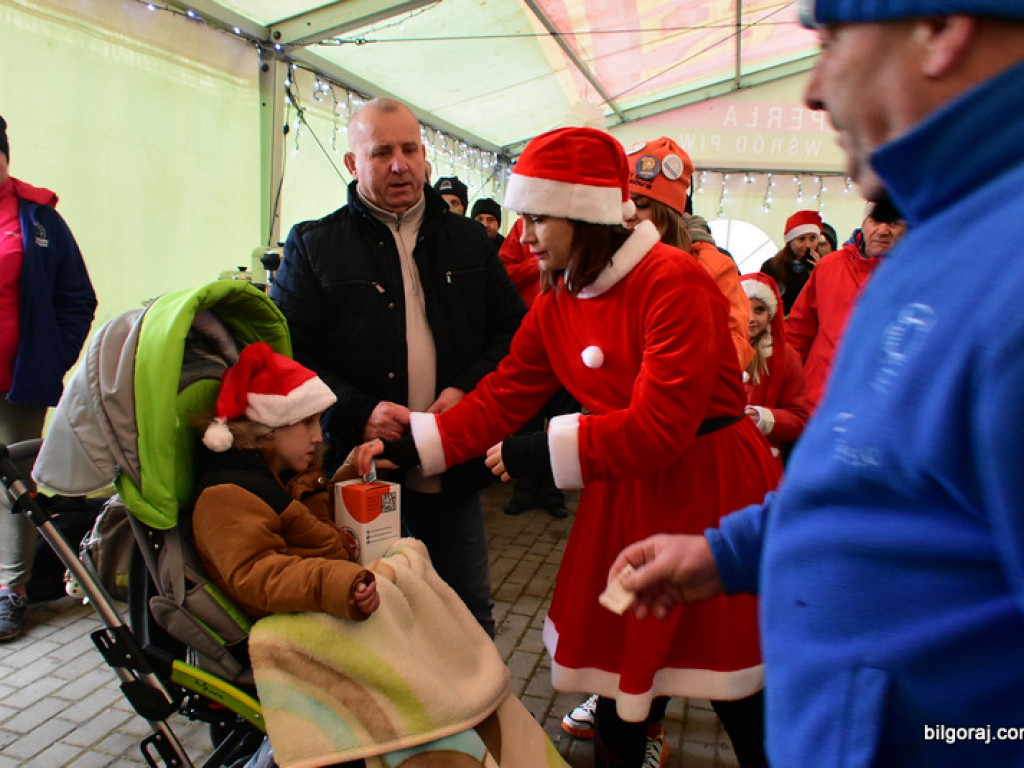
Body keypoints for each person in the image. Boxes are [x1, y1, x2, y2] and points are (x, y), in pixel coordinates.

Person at [609, 2, 1024, 765]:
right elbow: (876, 482)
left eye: (832, 42)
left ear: (942, 29)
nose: (813, 90)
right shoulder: (938, 241)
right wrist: (729, 552)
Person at [375, 126, 779, 768]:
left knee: (734, 673)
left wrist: (537, 452)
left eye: (537, 218)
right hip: (629, 489)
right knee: (624, 671)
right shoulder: (561, 295)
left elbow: (659, 428)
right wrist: (415, 445)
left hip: (709, 491)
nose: (524, 234)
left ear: (583, 215)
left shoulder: (674, 282)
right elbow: (505, 391)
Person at [270, 98, 525, 638]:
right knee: (372, 619)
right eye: (381, 152)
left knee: (468, 614)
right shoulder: (315, 245)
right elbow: (292, 356)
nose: (399, 164)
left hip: (450, 466)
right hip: (362, 470)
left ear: (425, 157)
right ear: (352, 163)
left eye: (409, 149)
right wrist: (357, 412)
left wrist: (466, 389)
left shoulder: (469, 241)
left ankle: (473, 718)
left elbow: (514, 334)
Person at [561, 135, 761, 750]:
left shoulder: (706, 267)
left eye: (646, 208)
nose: (633, 218)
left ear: (668, 216)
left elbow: (730, 352)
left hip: (701, 470)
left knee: (720, 632)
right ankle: (638, 721)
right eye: (630, 203)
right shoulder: (609, 270)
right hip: (635, 470)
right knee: (635, 625)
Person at [191, 342, 380, 622]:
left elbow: (313, 523)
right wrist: (335, 583)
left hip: (324, 597)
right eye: (307, 423)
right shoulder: (229, 494)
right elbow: (258, 575)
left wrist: (354, 476)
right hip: (288, 621)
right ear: (268, 430)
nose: (319, 437)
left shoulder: (287, 472)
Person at [0, 114, 97, 641]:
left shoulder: (37, 216)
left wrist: (50, 357)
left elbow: (77, 296)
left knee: (12, 486)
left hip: (16, 380)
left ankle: (10, 590)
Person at [624, 137, 754, 371]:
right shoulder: (607, 263)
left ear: (669, 214)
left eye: (642, 204)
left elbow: (736, 349)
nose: (629, 213)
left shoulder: (710, 266)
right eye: (623, 202)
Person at [786, 199, 906, 409]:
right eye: (876, 221)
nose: (883, 230)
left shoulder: (916, 274)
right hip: (818, 403)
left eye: (893, 223)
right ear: (864, 223)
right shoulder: (829, 266)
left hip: (881, 407)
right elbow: (798, 333)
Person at [740, 273, 809, 461]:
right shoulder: (716, 349)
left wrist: (763, 418)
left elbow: (799, 419)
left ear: (771, 313)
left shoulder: (787, 358)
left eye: (759, 310)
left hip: (760, 458)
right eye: (745, 308)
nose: (751, 318)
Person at [760, 209, 822, 314]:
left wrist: (820, 273)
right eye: (801, 239)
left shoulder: (824, 265)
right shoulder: (772, 266)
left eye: (813, 238)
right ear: (790, 241)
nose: (808, 245)